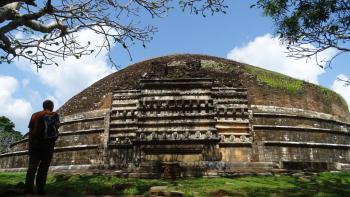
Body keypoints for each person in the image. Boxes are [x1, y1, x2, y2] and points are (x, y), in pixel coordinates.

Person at [24, 100, 60, 195]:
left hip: (35, 144)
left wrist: (30, 143)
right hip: (48, 145)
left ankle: (28, 190)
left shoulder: (35, 115)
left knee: (32, 168)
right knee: (43, 168)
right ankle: (40, 189)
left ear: (43, 106)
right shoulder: (55, 115)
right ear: (51, 106)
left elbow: (31, 130)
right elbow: (57, 127)